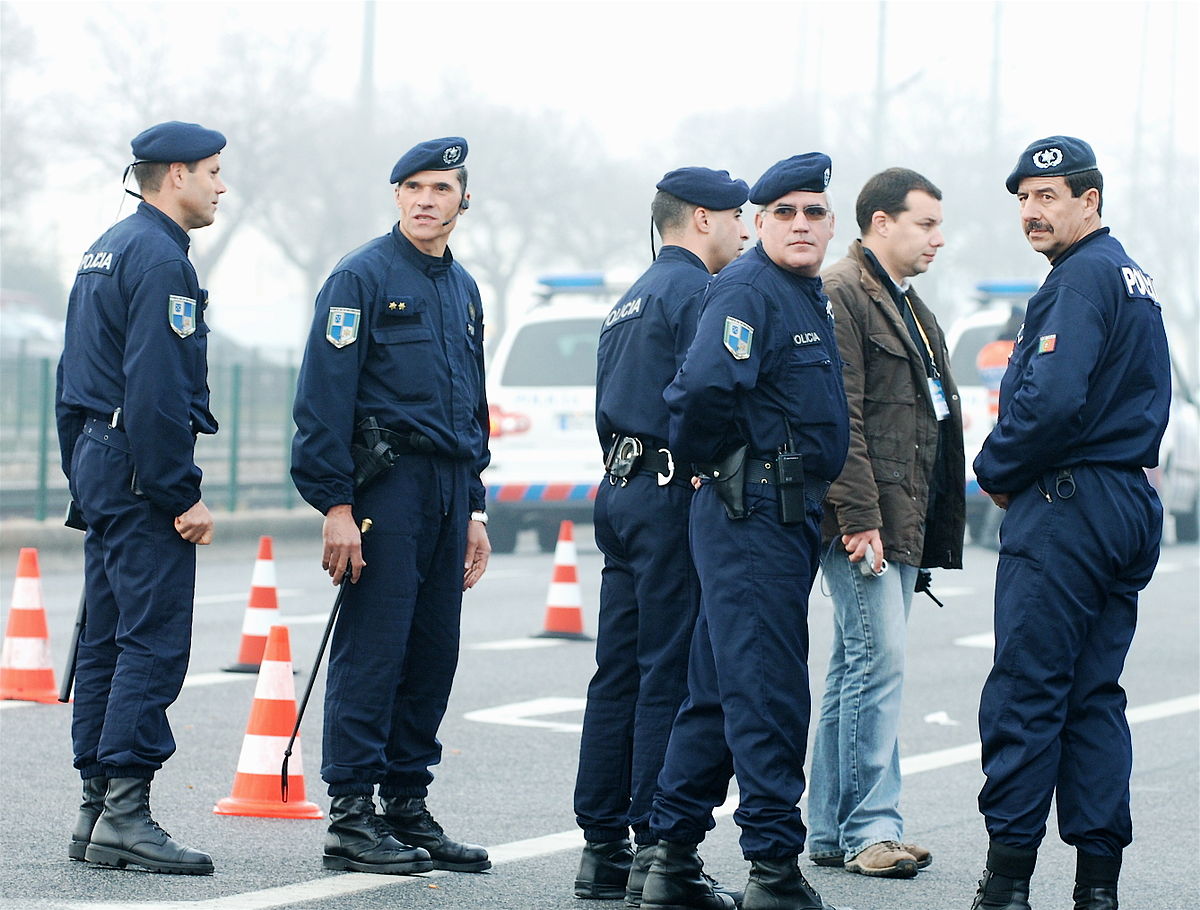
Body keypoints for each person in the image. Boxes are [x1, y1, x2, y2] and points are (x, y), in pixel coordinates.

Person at [642, 153, 850, 910]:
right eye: (784, 213)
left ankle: (671, 860)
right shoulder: (750, 287)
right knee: (766, 690)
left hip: (777, 515)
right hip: (752, 511)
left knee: (720, 694)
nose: (801, 224)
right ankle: (773, 869)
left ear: (831, 223)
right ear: (757, 223)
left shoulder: (802, 293)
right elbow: (699, 391)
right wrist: (717, 462)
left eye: (814, 212)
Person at [969, 136, 1170, 910]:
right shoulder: (1133, 279)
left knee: (1029, 691)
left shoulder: (1079, 280)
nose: (1031, 211)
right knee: (1093, 697)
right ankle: (1097, 889)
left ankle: (1008, 885)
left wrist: (993, 470)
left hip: (1068, 507)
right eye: (1023, 198)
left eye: (1048, 196)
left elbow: (1051, 402)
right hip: (1124, 500)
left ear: (1090, 200)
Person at [291, 136, 492, 876]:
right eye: (412, 187)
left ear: (463, 200)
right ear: (397, 196)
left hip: (446, 488)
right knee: (375, 649)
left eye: (440, 188)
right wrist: (335, 505)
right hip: (386, 485)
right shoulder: (361, 276)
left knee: (432, 651)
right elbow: (321, 401)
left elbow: (472, 408)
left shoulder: (463, 288)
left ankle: (407, 805)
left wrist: (475, 509)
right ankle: (351, 816)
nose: (424, 200)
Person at [55, 120, 227, 875]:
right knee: (152, 638)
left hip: (99, 454)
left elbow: (71, 373)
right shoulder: (160, 259)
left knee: (105, 636)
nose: (223, 186)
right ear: (178, 175)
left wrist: (83, 470)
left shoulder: (105, 248)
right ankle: (125, 813)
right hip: (138, 462)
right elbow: (157, 389)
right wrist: (178, 492)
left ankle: (95, 811)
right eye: (215, 172)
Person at [574, 167, 750, 904]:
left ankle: (601, 846)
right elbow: (703, 394)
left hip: (620, 488)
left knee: (616, 670)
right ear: (703, 218)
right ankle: (654, 846)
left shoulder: (632, 296)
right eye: (739, 215)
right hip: (672, 490)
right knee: (667, 672)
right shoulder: (698, 293)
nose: (746, 229)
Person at [806, 168, 964, 878]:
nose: (938, 236)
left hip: (897, 520)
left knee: (855, 668)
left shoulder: (908, 306)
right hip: (863, 521)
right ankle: (870, 827)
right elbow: (841, 420)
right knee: (877, 666)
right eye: (925, 223)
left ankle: (833, 828)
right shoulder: (843, 294)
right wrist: (861, 518)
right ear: (879, 223)